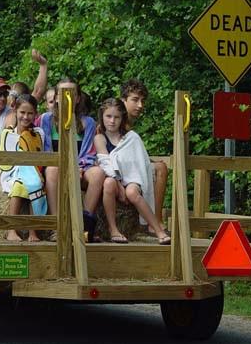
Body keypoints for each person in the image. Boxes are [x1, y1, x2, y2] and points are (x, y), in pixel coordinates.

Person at [94, 98, 170, 245]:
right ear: (102, 117)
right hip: (114, 179)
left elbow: (139, 164)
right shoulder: (100, 138)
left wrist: (129, 184)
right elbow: (105, 162)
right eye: (108, 116)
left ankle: (158, 230)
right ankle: (113, 229)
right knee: (109, 183)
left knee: (132, 193)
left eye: (116, 117)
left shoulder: (131, 137)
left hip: (132, 179)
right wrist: (119, 184)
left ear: (122, 119)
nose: (112, 121)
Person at [39, 79, 104, 239]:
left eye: (71, 93)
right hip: (56, 167)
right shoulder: (46, 120)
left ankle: (83, 225)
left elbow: (88, 152)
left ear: (78, 98)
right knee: (53, 170)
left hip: (80, 168)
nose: (67, 97)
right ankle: (57, 226)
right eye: (62, 93)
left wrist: (78, 168)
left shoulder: (87, 122)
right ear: (56, 98)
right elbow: (45, 149)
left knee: (98, 173)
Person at [0, 95, 48, 242]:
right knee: (21, 184)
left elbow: (38, 157)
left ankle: (33, 232)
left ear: (35, 114)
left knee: (34, 184)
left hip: (32, 171)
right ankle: (11, 230)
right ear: (15, 111)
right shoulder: (7, 134)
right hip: (13, 172)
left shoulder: (38, 133)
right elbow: (5, 161)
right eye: (22, 112)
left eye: (30, 113)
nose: (25, 117)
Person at [121, 79, 169, 228]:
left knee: (160, 166)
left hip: (129, 167)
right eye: (135, 100)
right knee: (160, 168)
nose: (140, 105)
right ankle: (155, 222)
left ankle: (155, 220)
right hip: (118, 170)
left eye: (142, 101)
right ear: (123, 100)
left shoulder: (130, 124)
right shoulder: (114, 120)